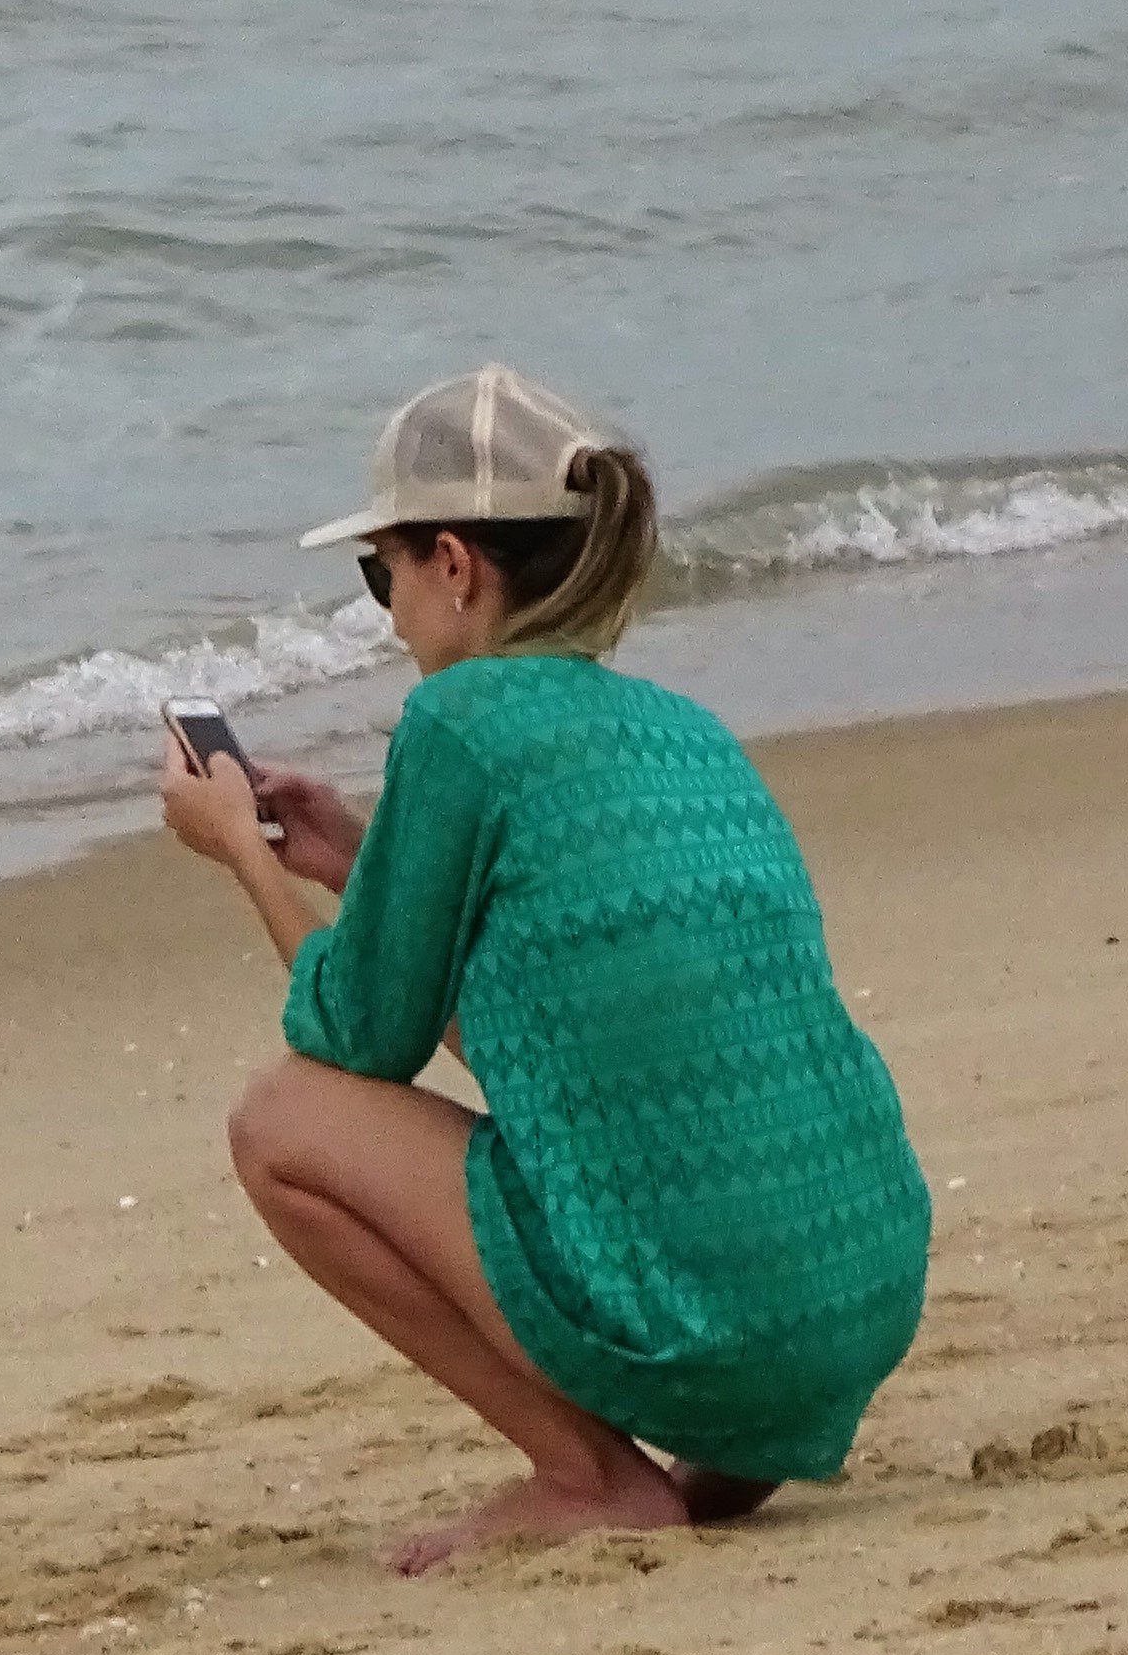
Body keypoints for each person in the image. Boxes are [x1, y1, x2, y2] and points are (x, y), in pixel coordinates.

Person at [157, 369, 932, 1574]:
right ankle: (720, 1447)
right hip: (848, 1299)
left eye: (384, 574)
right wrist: (357, 862)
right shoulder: (680, 725)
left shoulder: (463, 720)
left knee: (280, 1122)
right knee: (648, 1088)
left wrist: (239, 860)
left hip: (711, 1325)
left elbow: (356, 1035)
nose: (389, 611)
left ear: (454, 565)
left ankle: (590, 1478)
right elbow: (577, 1020)